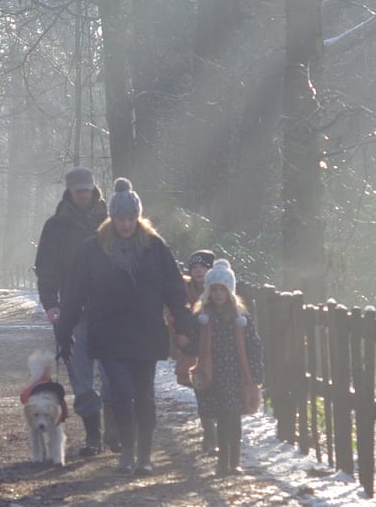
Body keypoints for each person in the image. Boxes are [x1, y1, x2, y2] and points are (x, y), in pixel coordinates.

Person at [55, 177, 193, 475]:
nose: (126, 224)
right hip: (109, 334)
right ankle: (127, 452)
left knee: (144, 394)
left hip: (146, 333)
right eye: (121, 218)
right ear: (112, 217)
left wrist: (183, 325)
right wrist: (64, 330)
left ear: (138, 217)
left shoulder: (155, 248)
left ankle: (144, 454)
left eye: (131, 218)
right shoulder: (92, 249)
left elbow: (174, 289)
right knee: (120, 389)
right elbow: (74, 292)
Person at [33, 166, 114, 456]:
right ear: (70, 191)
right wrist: (51, 304)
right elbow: (46, 268)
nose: (83, 194)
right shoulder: (54, 227)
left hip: (108, 308)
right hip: (71, 310)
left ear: (94, 189)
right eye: (78, 189)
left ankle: (114, 428)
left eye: (87, 188)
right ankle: (94, 434)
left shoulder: (111, 222)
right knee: (80, 374)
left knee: (112, 371)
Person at [190, 258, 265, 477]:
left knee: (234, 417)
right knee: (223, 416)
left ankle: (234, 460)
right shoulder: (203, 317)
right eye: (214, 290)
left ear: (230, 291)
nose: (218, 295)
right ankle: (223, 462)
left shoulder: (241, 318)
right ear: (208, 291)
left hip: (236, 375)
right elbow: (194, 343)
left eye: (222, 290)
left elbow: (254, 345)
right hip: (214, 375)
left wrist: (256, 371)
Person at [169, 249, 217, 453]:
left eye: (203, 267)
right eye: (195, 268)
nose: (198, 271)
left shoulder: (219, 290)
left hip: (217, 347)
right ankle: (209, 433)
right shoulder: (184, 291)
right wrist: (178, 334)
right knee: (201, 388)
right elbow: (173, 314)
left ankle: (219, 433)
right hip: (193, 347)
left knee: (218, 388)